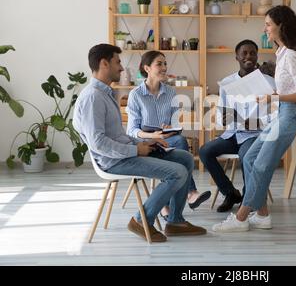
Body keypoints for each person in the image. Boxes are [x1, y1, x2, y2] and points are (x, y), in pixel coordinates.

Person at [73, 44, 206, 243]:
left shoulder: (106, 94)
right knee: (176, 173)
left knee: (186, 158)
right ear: (104, 63)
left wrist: (148, 143)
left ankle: (175, 221)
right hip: (114, 161)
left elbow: (119, 135)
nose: (121, 68)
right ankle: (141, 220)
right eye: (118, 62)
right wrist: (137, 149)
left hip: (126, 151)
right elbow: (98, 143)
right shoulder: (93, 97)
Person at [212, 5, 296, 232]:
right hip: (283, 113)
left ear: (281, 26)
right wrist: (274, 99)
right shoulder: (282, 53)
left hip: (293, 115)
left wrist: (275, 98)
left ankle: (241, 218)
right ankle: (262, 214)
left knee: (260, 165)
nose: (265, 28)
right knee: (249, 159)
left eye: (268, 24)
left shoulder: (291, 57)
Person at [126, 51, 211, 220]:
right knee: (177, 154)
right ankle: (188, 194)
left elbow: (176, 125)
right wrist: (152, 135)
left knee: (179, 140)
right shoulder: (135, 95)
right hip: (146, 141)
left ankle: (172, 203)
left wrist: (170, 128)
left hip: (167, 138)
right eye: (159, 64)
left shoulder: (171, 93)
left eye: (165, 64)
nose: (164, 68)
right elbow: (132, 130)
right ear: (147, 68)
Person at [199, 39, 275, 213]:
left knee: (247, 155)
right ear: (237, 57)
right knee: (205, 151)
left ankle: (249, 201)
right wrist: (228, 119)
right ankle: (230, 192)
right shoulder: (227, 83)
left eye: (252, 53)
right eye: (244, 53)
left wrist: (255, 122)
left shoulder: (269, 83)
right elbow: (222, 114)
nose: (248, 56)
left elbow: (275, 115)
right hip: (232, 133)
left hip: (255, 135)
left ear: (257, 56)